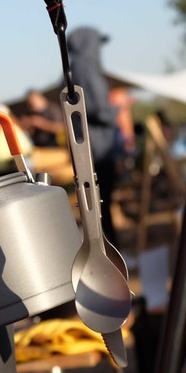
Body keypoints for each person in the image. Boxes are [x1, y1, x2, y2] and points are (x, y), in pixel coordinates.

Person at [67, 26, 121, 244]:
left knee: (100, 203)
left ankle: (111, 250)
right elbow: (98, 109)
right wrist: (117, 108)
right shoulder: (86, 69)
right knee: (102, 203)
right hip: (99, 148)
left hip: (92, 148)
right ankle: (114, 251)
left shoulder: (75, 69)